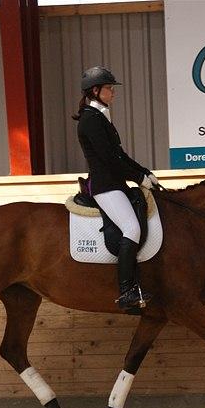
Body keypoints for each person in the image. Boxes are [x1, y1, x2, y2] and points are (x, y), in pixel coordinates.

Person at [73, 66, 159, 310]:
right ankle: (127, 291)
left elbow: (119, 155)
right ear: (95, 90)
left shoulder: (101, 117)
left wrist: (143, 172)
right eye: (109, 88)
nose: (113, 93)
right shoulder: (90, 120)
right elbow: (109, 160)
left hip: (116, 183)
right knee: (131, 228)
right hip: (105, 186)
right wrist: (137, 178)